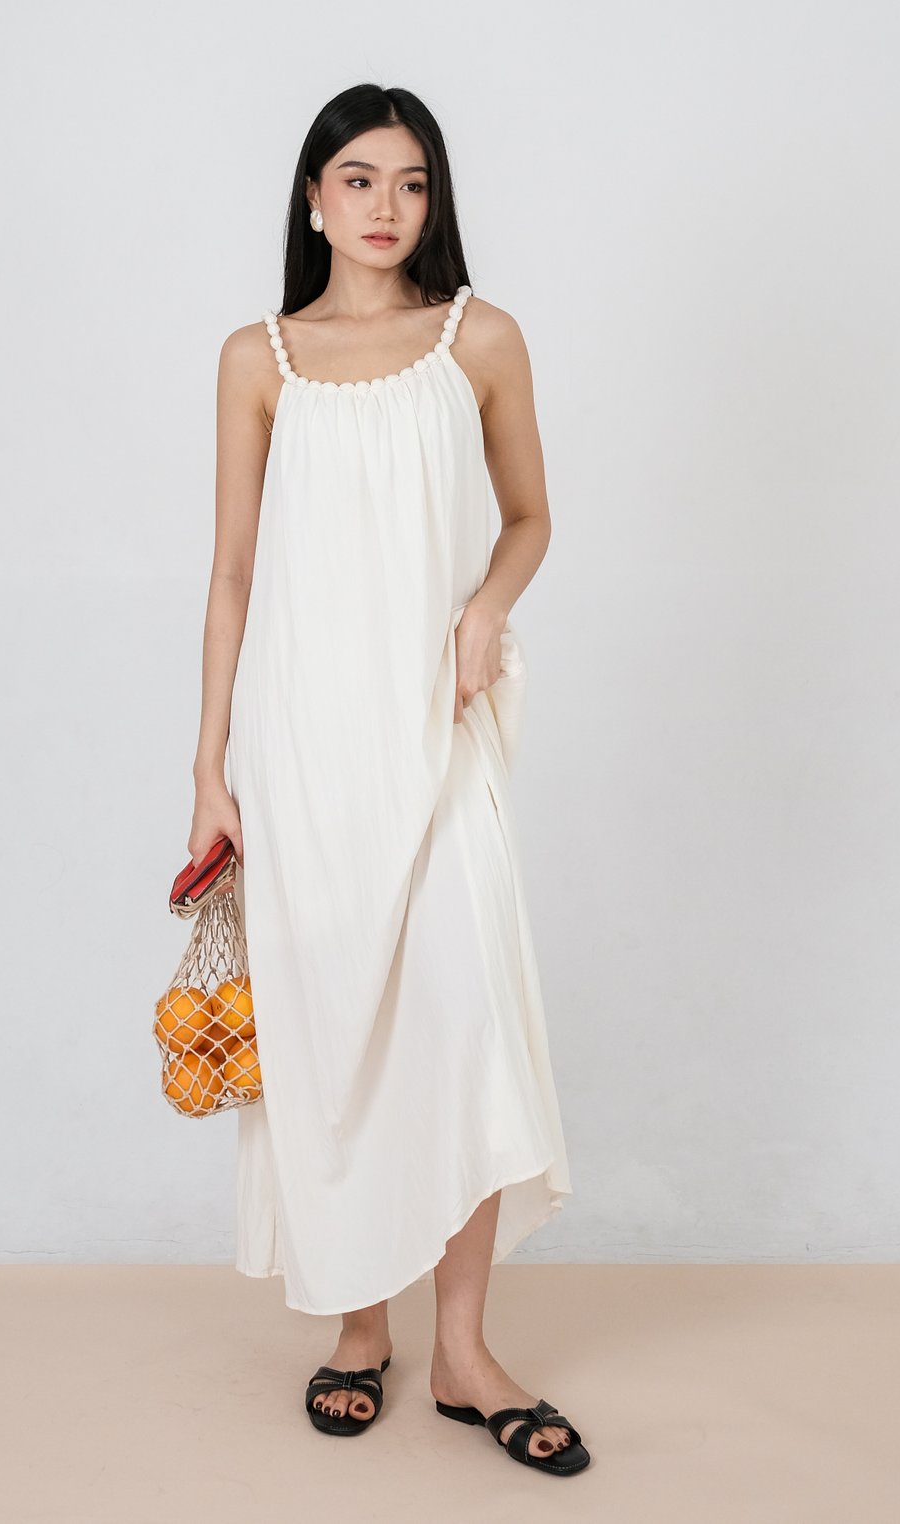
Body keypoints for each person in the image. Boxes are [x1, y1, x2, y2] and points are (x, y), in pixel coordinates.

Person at [188, 82, 589, 1477]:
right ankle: (360, 1328)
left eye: (411, 182)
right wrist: (208, 770)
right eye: (356, 179)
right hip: (301, 747)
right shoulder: (259, 360)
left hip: (435, 728)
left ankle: (464, 1353)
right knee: (330, 1036)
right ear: (312, 198)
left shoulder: (479, 339)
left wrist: (484, 608)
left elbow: (531, 515)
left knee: (465, 1025)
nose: (384, 206)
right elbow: (232, 574)